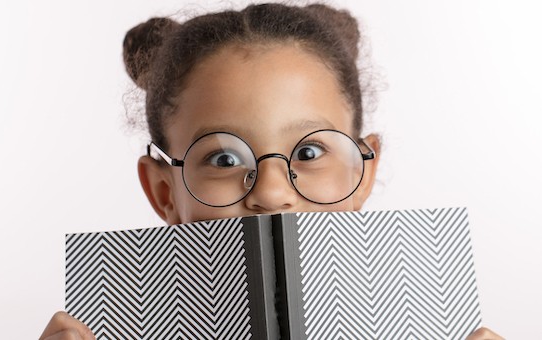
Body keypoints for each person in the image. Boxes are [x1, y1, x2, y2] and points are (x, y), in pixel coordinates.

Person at [39, 3, 502, 339]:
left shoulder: (430, 318)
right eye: (224, 159)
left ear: (363, 170)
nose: (274, 192)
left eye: (309, 152)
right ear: (164, 191)